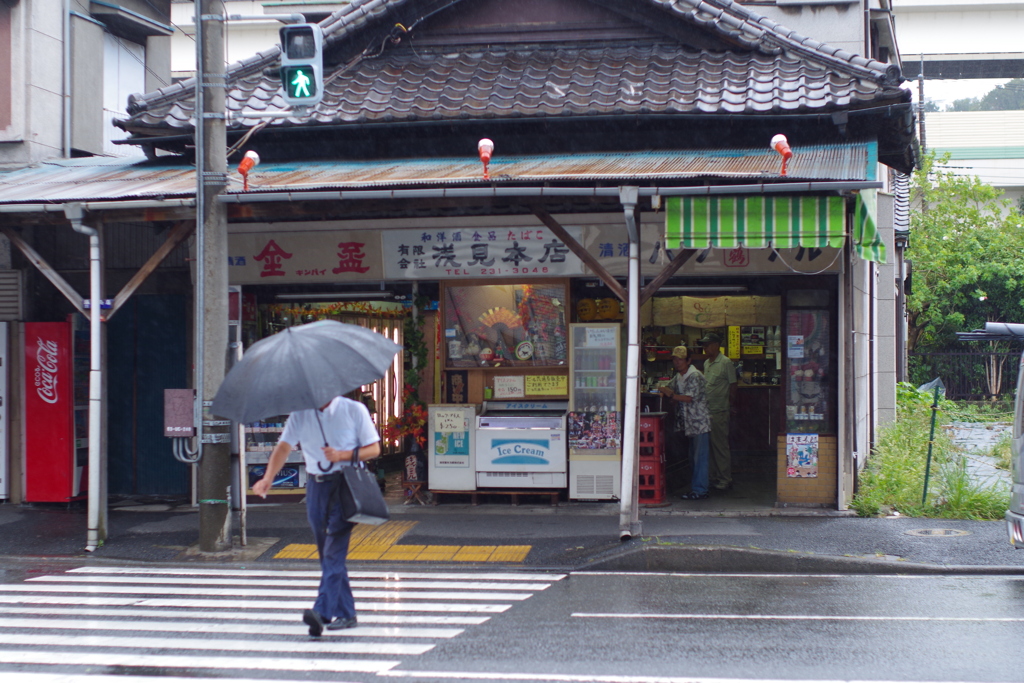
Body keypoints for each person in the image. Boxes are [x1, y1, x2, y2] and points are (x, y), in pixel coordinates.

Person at [253, 395, 381, 637]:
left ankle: (322, 611)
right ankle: (347, 613)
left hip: (346, 486)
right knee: (327, 553)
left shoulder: (354, 409)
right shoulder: (300, 413)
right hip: (316, 487)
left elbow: (374, 449)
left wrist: (341, 455)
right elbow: (284, 446)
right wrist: (268, 478)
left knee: (334, 548)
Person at [660, 345, 711, 499]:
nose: (677, 362)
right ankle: (697, 488)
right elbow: (668, 388)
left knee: (699, 458)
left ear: (688, 360)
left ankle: (700, 490)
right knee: (693, 458)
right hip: (689, 424)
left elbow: (689, 398)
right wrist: (666, 390)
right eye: (675, 359)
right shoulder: (679, 376)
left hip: (699, 423)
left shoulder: (695, 376)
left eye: (681, 359)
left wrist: (671, 395)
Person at [698, 332, 737, 491]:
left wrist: (730, 404)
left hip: (720, 410)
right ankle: (714, 477)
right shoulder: (707, 363)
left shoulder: (726, 362)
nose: (705, 348)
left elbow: (733, 385)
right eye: (704, 345)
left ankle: (725, 479)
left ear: (716, 345)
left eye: (707, 345)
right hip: (707, 410)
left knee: (720, 446)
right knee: (710, 447)